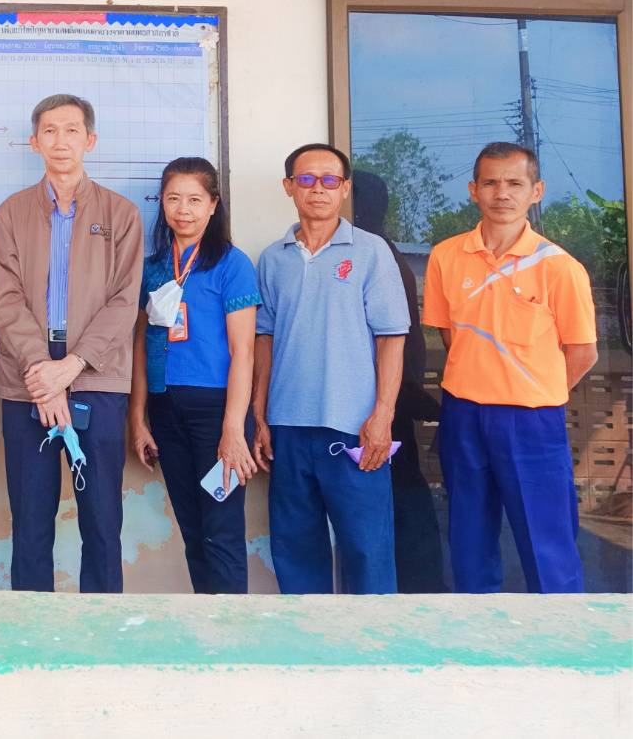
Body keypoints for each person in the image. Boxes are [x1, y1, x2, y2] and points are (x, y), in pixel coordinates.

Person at [421, 142, 598, 594]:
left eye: (515, 183)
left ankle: (561, 645)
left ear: (536, 191)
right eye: (491, 182)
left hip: (531, 420)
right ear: (473, 190)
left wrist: (534, 391)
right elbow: (449, 334)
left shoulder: (560, 267)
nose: (503, 193)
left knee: (546, 541)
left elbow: (582, 352)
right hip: (463, 414)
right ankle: (478, 642)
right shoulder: (446, 256)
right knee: (468, 538)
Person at [0, 94, 143, 593]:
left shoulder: (121, 215)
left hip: (97, 378)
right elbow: (6, 300)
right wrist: (44, 372)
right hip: (27, 383)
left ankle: (101, 637)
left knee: (102, 521)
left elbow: (124, 303)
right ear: (34, 142)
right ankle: (33, 639)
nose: (61, 141)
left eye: (71, 130)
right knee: (30, 524)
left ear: (89, 141)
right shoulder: (10, 214)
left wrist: (70, 367)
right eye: (50, 131)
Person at [252, 143, 408, 595]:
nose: (317, 189)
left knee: (366, 551)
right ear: (289, 187)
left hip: (354, 429)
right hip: (288, 428)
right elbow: (264, 339)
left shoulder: (371, 252)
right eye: (306, 179)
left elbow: (391, 338)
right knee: (296, 553)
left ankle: (373, 655)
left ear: (344, 190)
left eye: (328, 180)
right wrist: (260, 416)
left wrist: (382, 414)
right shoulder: (272, 258)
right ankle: (311, 652)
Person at [131, 157, 260, 594]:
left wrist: (233, 430)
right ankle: (207, 627)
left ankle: (233, 637)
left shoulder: (231, 263)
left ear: (212, 205)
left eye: (193, 199)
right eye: (173, 199)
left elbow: (244, 352)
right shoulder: (152, 266)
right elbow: (141, 342)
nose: (182, 209)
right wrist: (138, 417)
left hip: (215, 412)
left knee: (220, 529)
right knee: (193, 531)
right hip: (166, 409)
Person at [352, 170, 446, 594]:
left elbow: (398, 339)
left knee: (402, 495)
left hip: (387, 400)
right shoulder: (366, 250)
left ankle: (420, 587)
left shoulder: (376, 254)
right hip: (383, 398)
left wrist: (394, 401)